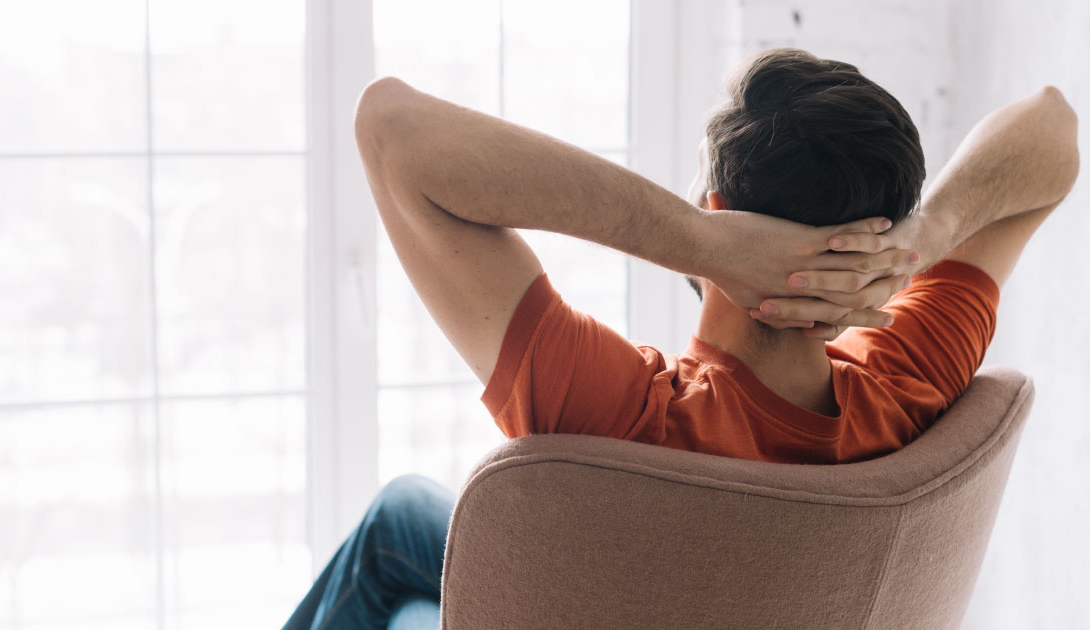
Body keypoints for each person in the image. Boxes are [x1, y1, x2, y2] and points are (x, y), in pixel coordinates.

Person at [284, 48, 1080, 629]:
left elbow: (391, 126)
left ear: (715, 203)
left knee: (395, 524)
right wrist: (921, 241)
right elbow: (1054, 124)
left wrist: (700, 242)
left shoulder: (627, 417)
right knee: (404, 513)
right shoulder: (909, 377)